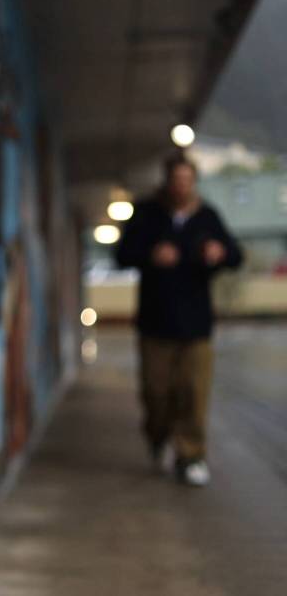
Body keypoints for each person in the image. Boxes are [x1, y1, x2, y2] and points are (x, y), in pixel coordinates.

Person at [115, 152, 242, 486]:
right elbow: (121, 254)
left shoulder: (207, 217)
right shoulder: (146, 214)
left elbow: (235, 255)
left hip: (197, 324)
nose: (182, 186)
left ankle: (191, 455)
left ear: (194, 182)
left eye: (188, 180)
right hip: (155, 323)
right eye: (177, 180)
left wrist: (220, 253)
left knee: (193, 392)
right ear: (167, 181)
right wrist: (151, 256)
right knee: (156, 393)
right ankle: (157, 437)